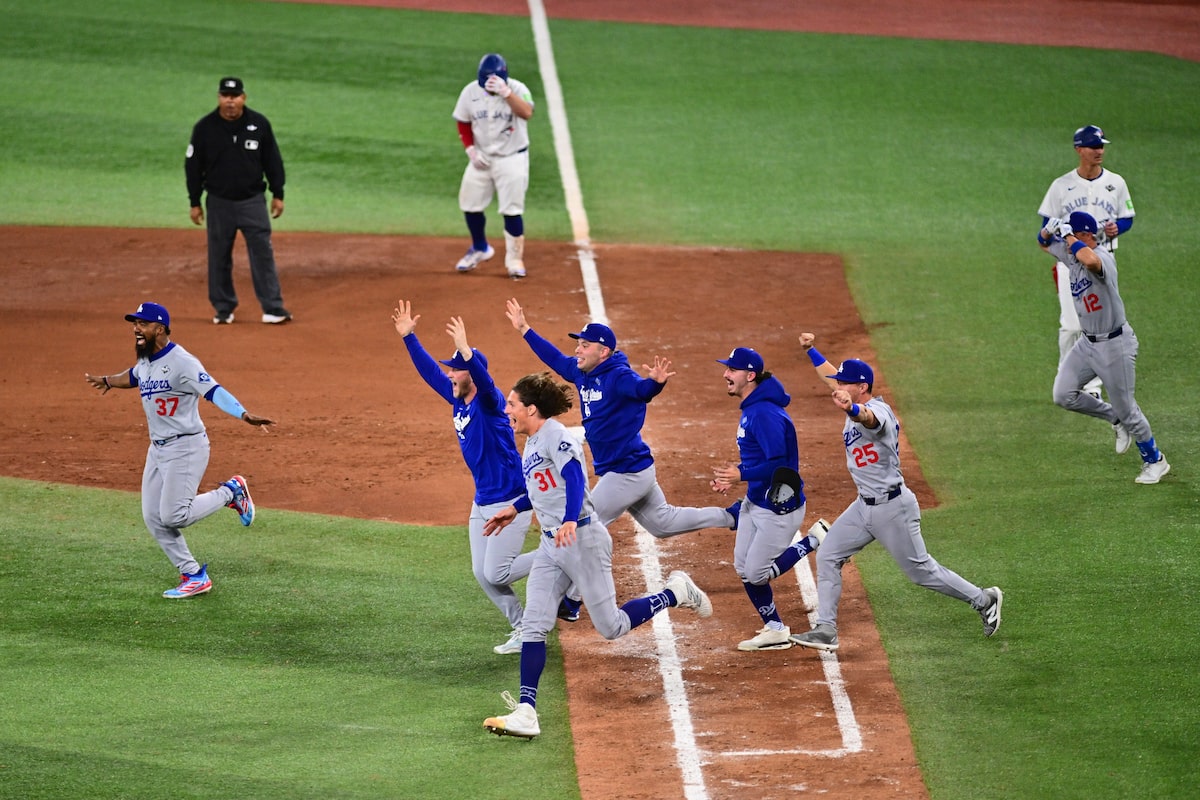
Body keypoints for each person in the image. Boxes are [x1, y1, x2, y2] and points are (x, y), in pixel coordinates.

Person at [481, 372, 712, 739]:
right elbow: (544, 488)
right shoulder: (532, 441)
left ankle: (674, 592)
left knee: (611, 627)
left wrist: (570, 519)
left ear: (531, 409)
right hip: (551, 545)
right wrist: (514, 508)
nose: (507, 410)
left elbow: (574, 477)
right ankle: (527, 711)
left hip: (582, 539)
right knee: (534, 625)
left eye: (512, 404)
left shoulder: (556, 436)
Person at [789, 337, 1003, 652]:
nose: (839, 386)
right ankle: (826, 629)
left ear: (861, 388)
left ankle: (984, 599)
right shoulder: (850, 392)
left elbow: (868, 419)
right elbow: (831, 377)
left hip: (892, 508)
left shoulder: (880, 413)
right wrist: (811, 351)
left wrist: (852, 409)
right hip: (863, 506)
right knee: (829, 554)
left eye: (845, 384)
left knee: (921, 572)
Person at [84, 302, 273, 598]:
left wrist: (243, 414)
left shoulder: (183, 362)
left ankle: (231, 491)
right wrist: (108, 381)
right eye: (134, 323)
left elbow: (214, 390)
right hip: (157, 450)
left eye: (142, 324)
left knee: (174, 516)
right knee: (152, 516)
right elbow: (133, 376)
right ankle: (193, 575)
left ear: (160, 328)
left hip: (185, 446)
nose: (136, 329)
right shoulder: (147, 360)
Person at [506, 298, 736, 538]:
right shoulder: (582, 371)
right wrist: (524, 328)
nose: (577, 350)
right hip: (633, 467)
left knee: (583, 526)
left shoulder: (619, 376)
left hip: (626, 471)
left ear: (603, 352)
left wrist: (656, 384)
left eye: (585, 345)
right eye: (578, 344)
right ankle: (731, 515)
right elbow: (554, 358)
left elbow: (641, 390)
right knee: (664, 523)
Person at [391, 300, 538, 654]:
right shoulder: (458, 399)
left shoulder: (490, 402)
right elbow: (430, 373)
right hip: (482, 499)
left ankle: (561, 553)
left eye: (456, 370)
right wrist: (409, 337)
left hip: (510, 498)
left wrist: (467, 353)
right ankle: (523, 627)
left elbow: (486, 383)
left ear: (470, 374)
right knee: (480, 572)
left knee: (497, 572)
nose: (450, 375)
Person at [1037, 212, 1169, 484]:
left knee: (1128, 409)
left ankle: (1155, 460)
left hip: (1114, 345)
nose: (1066, 242)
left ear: (1085, 235)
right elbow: (1043, 243)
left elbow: (1090, 261)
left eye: (1072, 234)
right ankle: (1114, 419)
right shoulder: (1072, 255)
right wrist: (1048, 231)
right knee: (1063, 394)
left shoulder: (1102, 257)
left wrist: (1068, 235)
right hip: (1087, 343)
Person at [710, 347, 828, 652]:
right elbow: (758, 458)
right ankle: (775, 629)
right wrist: (736, 475)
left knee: (756, 573)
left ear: (750, 375)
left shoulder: (764, 413)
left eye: (732, 370)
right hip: (756, 501)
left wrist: (741, 474)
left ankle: (812, 541)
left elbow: (779, 464)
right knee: (742, 567)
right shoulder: (753, 408)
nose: (725, 374)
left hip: (778, 508)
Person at [1037, 124, 1135, 400]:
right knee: (1071, 326)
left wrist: (1118, 228)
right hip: (1070, 264)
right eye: (1093, 146)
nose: (1099, 151)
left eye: (1101, 146)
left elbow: (1127, 218)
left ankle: (1092, 388)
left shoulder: (1116, 183)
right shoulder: (1061, 186)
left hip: (1102, 262)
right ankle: (1066, 377)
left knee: (1100, 328)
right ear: (1079, 150)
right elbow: (1046, 227)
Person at [185, 76, 292, 325]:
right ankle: (223, 309)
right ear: (219, 98)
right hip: (219, 202)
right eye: (225, 96)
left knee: (262, 254)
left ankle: (273, 308)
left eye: (234, 96)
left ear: (243, 97)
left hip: (252, 202)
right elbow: (193, 167)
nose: (230, 101)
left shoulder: (259, 124)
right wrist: (194, 201)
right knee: (219, 256)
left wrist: (278, 194)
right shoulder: (204, 128)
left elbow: (273, 160)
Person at [452, 54, 535, 278]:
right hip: (482, 158)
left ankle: (515, 259)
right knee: (469, 203)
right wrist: (470, 149)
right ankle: (480, 248)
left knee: (511, 210)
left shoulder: (518, 89)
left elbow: (527, 112)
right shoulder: (470, 92)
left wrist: (506, 93)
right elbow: (463, 121)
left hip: (512, 158)